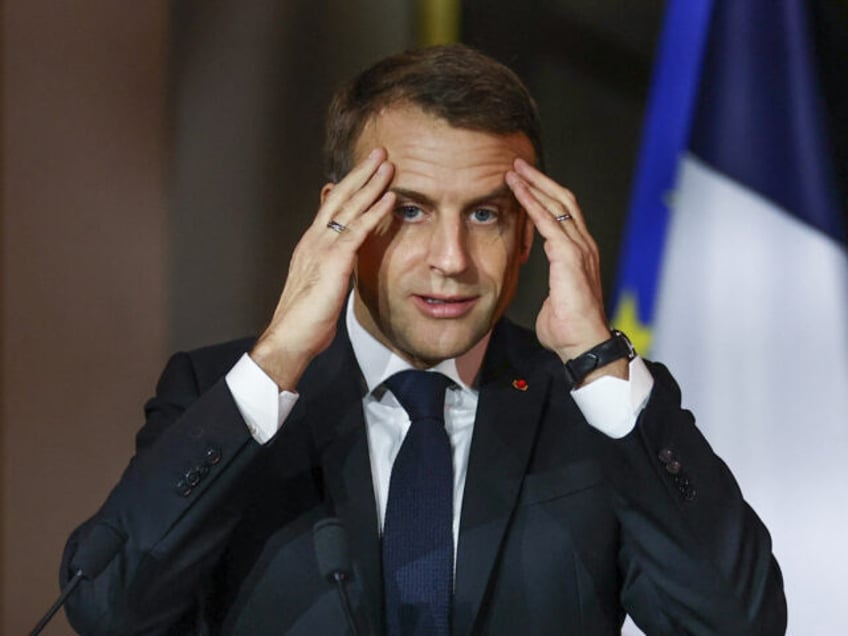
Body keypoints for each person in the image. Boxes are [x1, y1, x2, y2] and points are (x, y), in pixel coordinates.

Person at [61, 44, 786, 635]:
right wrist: (279, 360)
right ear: (337, 220)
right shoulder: (220, 393)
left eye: (484, 216)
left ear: (530, 232)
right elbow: (110, 609)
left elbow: (737, 624)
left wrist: (597, 360)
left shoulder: (594, 412)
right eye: (408, 211)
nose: (451, 259)